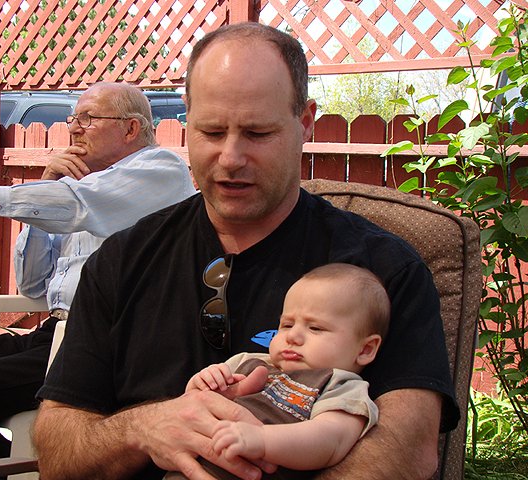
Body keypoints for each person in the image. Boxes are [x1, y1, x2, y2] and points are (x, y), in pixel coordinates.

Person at [34, 23, 459, 480]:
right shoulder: (123, 259)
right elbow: (57, 452)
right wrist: (142, 427)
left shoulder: (385, 271)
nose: (231, 157)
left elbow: (407, 452)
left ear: (305, 123)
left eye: (257, 133)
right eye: (212, 131)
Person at [0, 82, 196, 466]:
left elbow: (77, 205)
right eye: (73, 118)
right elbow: (34, 283)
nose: (74, 128)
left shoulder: (159, 170)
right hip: (52, 334)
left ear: (130, 128)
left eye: (88, 118)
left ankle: (6, 472)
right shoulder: (79, 187)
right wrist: (48, 183)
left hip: (107, 347)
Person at [166, 263, 389, 479]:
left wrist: (263, 439)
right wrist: (203, 382)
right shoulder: (247, 361)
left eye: (315, 328)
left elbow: (331, 440)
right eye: (287, 325)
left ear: (365, 349)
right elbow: (191, 404)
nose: (292, 336)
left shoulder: (340, 386)